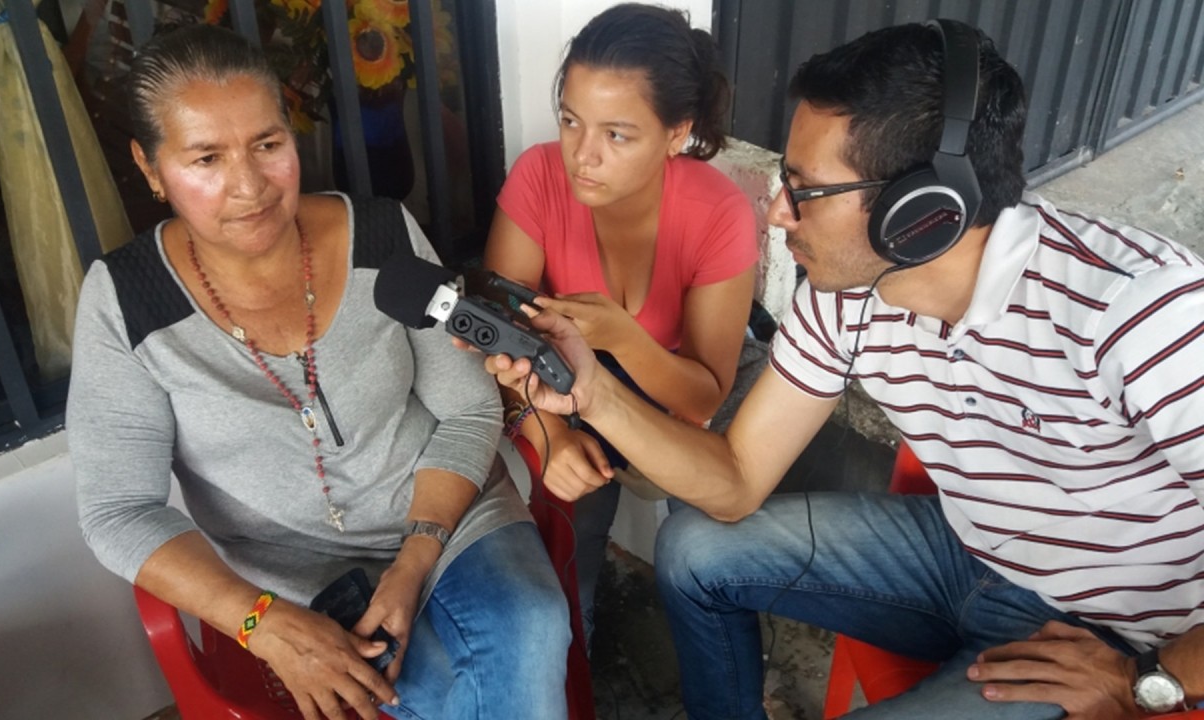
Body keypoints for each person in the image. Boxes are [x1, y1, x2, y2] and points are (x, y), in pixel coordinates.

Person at [481, 20, 1204, 720]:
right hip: (968, 552)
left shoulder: (1142, 310)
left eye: (805, 189)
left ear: (923, 212)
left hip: (1117, 634)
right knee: (695, 546)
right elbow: (734, 482)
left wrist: (1151, 679)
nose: (776, 214)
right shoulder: (845, 297)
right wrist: (594, 393)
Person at [66, 24, 569, 720]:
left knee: (535, 625)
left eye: (267, 145)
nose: (248, 186)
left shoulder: (384, 236)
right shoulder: (126, 301)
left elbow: (469, 409)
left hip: (451, 514)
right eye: (206, 158)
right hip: (289, 568)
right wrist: (260, 622)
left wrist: (415, 559)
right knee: (424, 696)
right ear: (150, 168)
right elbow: (118, 510)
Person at [484, 2, 758, 645]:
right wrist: (547, 429)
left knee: (716, 523)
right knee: (570, 512)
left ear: (675, 134)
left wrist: (622, 338)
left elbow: (702, 395)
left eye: (617, 135)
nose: (583, 155)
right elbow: (497, 333)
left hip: (672, 378)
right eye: (571, 121)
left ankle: (716, 649)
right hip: (558, 374)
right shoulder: (537, 177)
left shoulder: (719, 211)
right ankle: (576, 650)